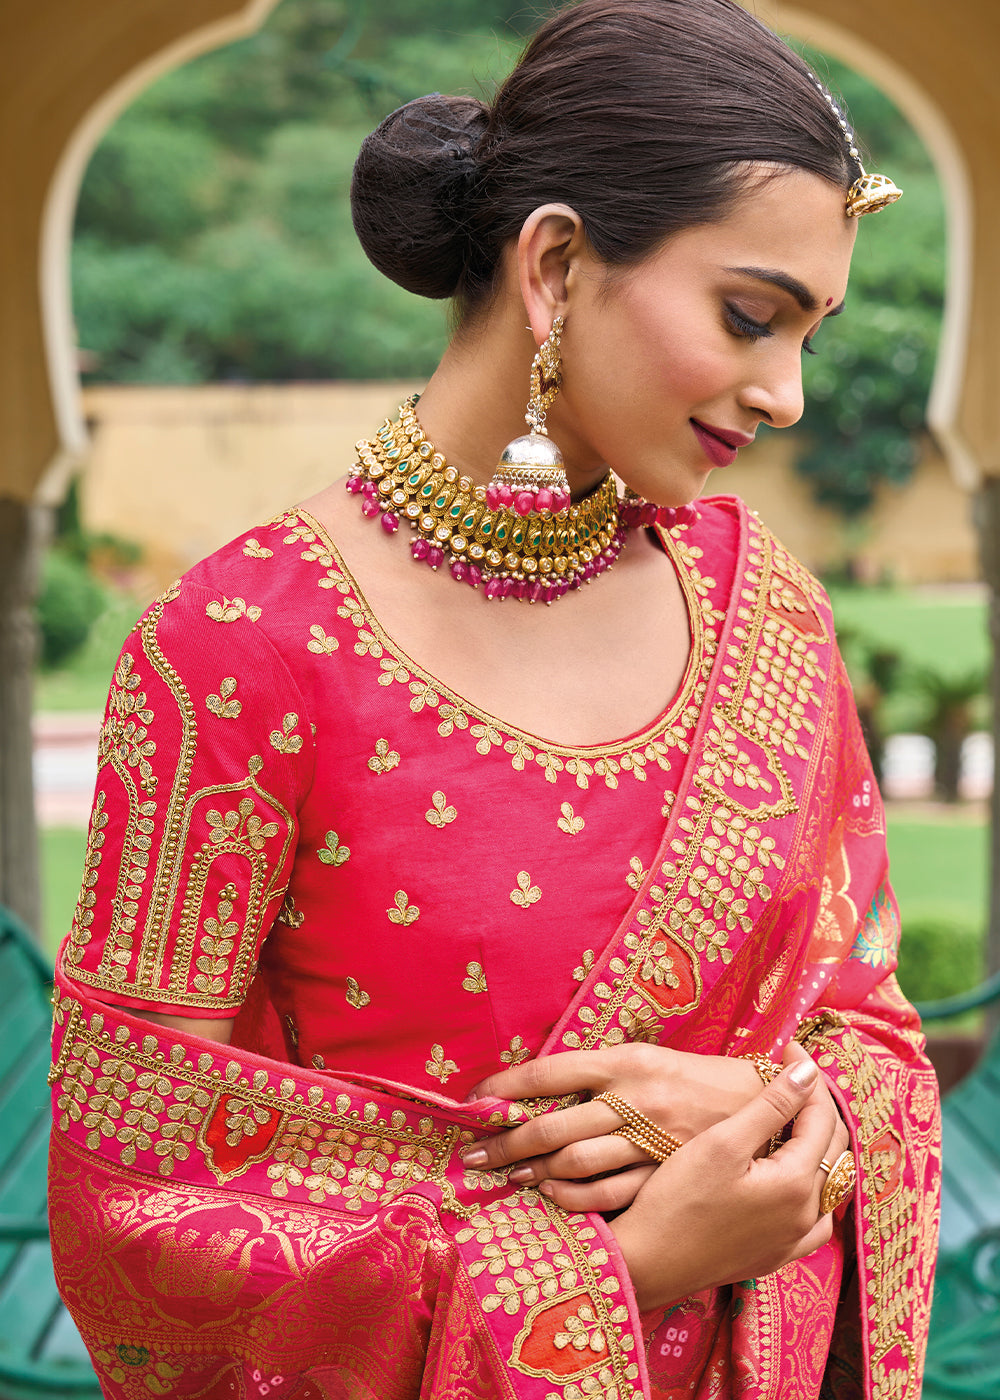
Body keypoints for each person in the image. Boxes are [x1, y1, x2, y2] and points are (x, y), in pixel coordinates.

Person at [48, 2, 939, 1397]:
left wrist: (778, 1112)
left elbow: (869, 1031)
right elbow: (136, 1211)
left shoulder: (766, 608)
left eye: (809, 339)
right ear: (558, 263)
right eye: (751, 317)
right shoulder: (238, 650)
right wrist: (619, 1272)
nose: (787, 395)